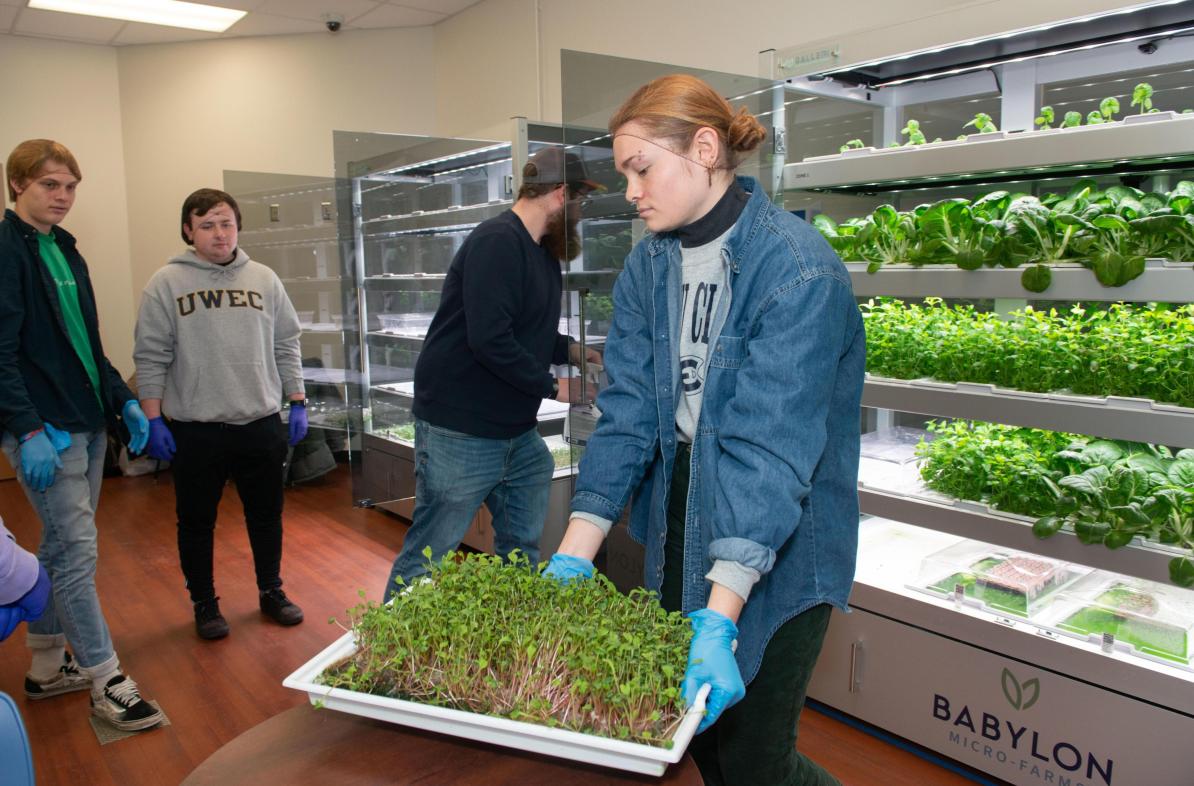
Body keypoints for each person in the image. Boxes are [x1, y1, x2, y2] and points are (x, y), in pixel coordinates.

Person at [542, 75, 865, 786]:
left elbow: (771, 453)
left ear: (707, 149)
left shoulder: (799, 271)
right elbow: (626, 412)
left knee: (755, 761)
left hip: (784, 526)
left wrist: (718, 621)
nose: (631, 190)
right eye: (626, 173)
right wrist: (575, 550)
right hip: (683, 507)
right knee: (699, 737)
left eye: (641, 168)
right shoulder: (648, 264)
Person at [382, 147, 603, 599]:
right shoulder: (497, 241)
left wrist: (575, 351)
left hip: (515, 435)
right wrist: (555, 386)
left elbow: (527, 330)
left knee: (520, 550)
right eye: (581, 200)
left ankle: (513, 648)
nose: (581, 212)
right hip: (459, 430)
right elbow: (491, 340)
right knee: (429, 555)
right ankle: (386, 657)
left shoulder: (540, 251)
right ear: (561, 195)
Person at [0, 139, 163, 732]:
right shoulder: (5, 250)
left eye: (70, 186)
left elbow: (86, 346)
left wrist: (121, 400)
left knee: (61, 547)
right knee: (77, 555)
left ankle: (46, 667)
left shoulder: (66, 250)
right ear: (18, 184)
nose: (63, 197)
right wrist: (25, 428)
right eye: (50, 185)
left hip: (88, 424)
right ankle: (105, 679)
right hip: (46, 430)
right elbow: (0, 352)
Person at [134, 188, 308, 640]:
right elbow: (150, 355)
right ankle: (205, 604)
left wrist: (297, 400)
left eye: (226, 222)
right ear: (188, 230)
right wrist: (153, 418)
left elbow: (286, 343)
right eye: (206, 224)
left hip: (260, 422)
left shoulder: (265, 279)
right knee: (196, 522)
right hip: (197, 428)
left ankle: (272, 591)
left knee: (267, 515)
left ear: (238, 228)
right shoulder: (165, 283)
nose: (219, 233)